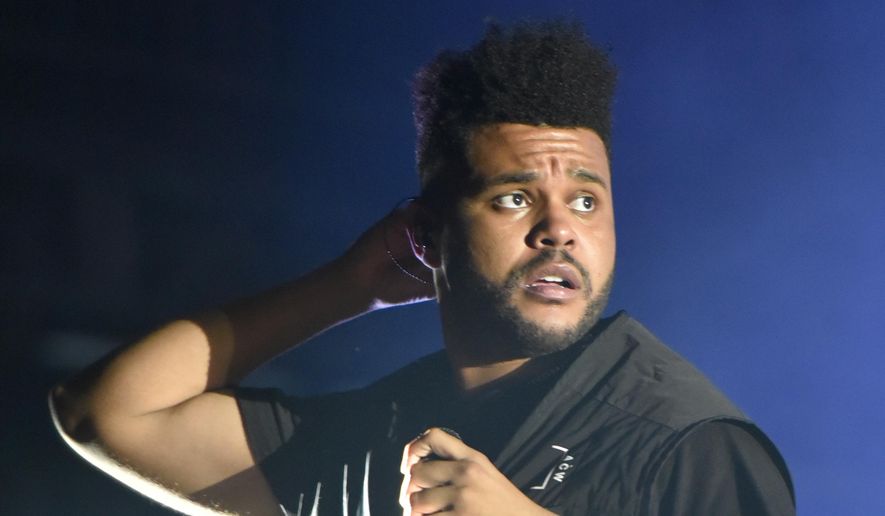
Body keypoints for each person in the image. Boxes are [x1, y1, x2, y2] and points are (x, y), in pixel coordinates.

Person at [50, 21, 795, 516]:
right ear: (427, 233)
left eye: (586, 200)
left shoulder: (684, 441)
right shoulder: (378, 438)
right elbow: (111, 414)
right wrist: (349, 286)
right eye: (514, 198)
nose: (560, 230)